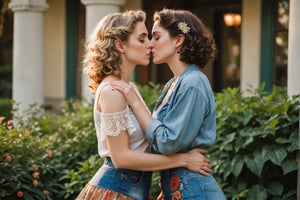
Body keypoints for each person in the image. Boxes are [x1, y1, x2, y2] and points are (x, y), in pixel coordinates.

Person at [76, 10, 212, 200]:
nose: (150, 44)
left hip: (134, 192)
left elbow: (153, 139)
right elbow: (121, 158)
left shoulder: (129, 88)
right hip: (115, 192)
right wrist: (183, 159)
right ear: (120, 45)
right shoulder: (112, 91)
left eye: (152, 37)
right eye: (142, 39)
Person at [111, 8, 226, 199]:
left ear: (178, 40)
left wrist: (135, 102)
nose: (150, 44)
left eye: (156, 37)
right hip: (177, 186)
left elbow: (167, 142)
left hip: (194, 189)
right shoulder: (173, 83)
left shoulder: (193, 82)